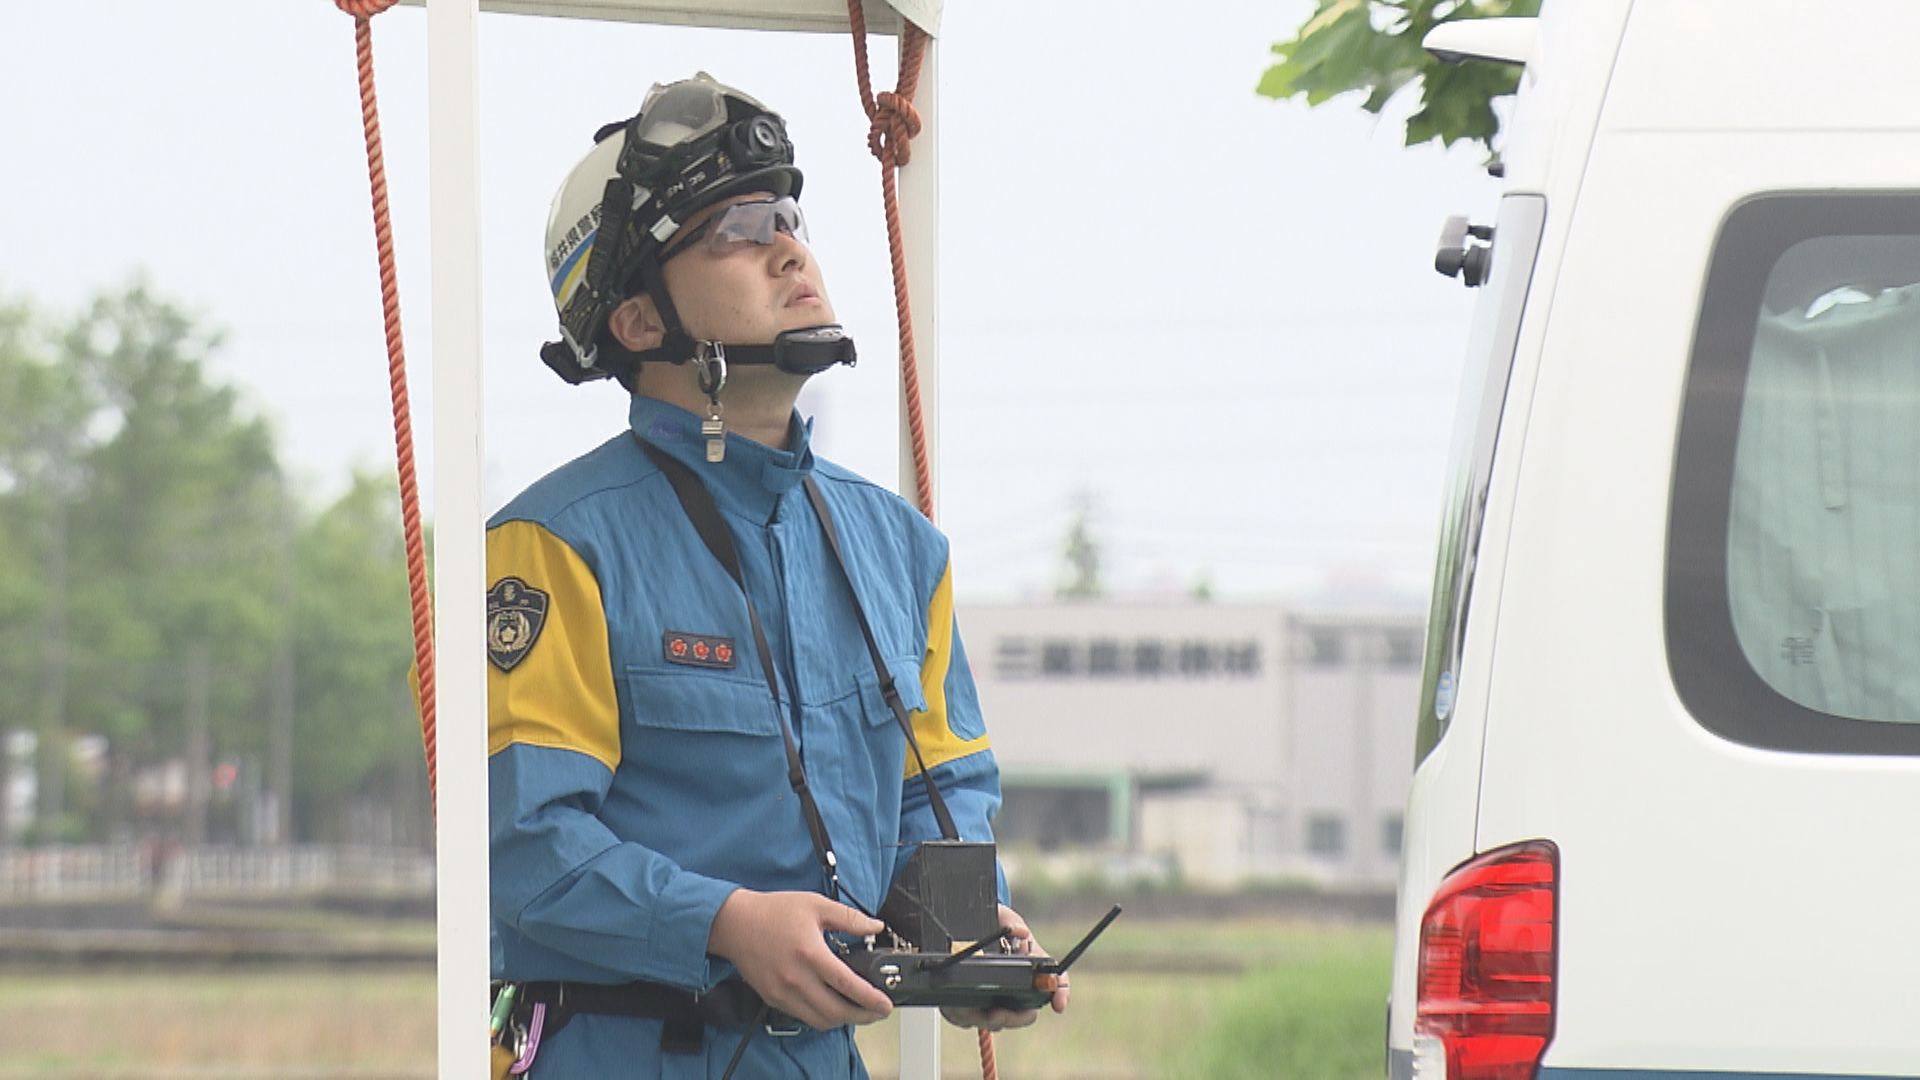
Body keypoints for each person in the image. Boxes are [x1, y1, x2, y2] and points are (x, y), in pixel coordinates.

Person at [485, 74, 1067, 1078]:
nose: (790, 249)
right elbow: (523, 844)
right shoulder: (552, 548)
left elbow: (943, 792)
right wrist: (724, 923)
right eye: (735, 230)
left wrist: (966, 939)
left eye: (789, 217)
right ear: (637, 322)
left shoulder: (902, 548)